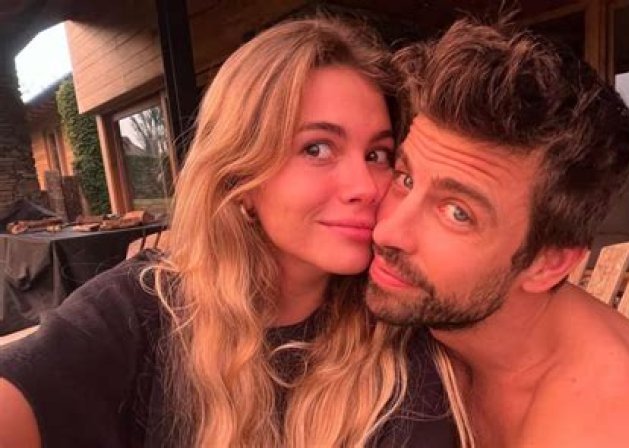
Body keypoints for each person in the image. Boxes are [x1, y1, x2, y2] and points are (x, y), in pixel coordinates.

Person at [0, 17, 465, 448]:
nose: (365, 186)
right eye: (317, 148)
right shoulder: (143, 311)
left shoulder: (397, 332)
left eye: (377, 154)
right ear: (240, 177)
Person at [365, 18, 629, 447]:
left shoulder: (608, 423)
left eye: (458, 213)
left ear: (547, 263)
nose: (387, 232)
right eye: (405, 178)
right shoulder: (423, 309)